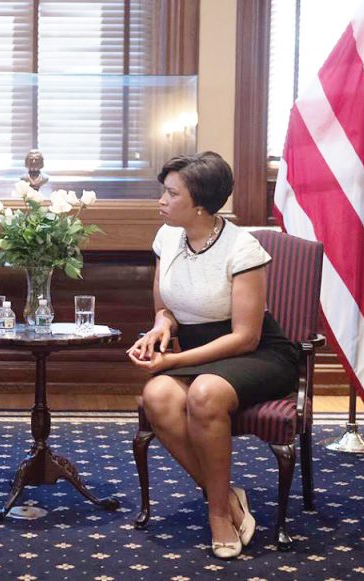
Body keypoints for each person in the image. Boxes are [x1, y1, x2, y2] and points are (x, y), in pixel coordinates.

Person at [127, 151, 300, 560]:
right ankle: (227, 496)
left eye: (172, 194)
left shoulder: (242, 247)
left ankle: (218, 515)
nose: (162, 200)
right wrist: (161, 327)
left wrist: (172, 361)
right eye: (164, 191)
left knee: (204, 393)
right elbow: (165, 308)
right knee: (157, 396)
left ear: (200, 205)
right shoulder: (167, 236)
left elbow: (245, 337)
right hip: (199, 353)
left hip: (258, 354)